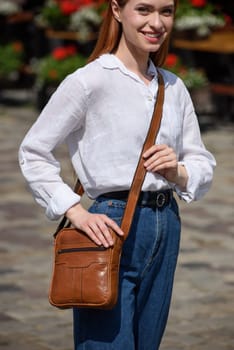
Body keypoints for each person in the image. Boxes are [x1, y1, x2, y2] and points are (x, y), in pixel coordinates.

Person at [19, 0, 216, 348]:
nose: (156, 22)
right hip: (109, 226)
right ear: (116, 10)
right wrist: (74, 209)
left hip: (166, 223)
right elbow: (33, 150)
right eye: (144, 9)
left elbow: (201, 162)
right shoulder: (89, 81)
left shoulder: (173, 88)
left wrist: (176, 170)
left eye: (166, 11)